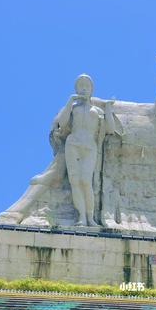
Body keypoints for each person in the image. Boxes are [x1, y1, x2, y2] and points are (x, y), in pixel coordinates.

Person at [53, 74, 115, 226]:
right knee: (75, 181)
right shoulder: (72, 108)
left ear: (91, 89)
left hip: (89, 146)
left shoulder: (97, 110)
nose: (83, 88)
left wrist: (107, 109)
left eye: (87, 86)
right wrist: (70, 101)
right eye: (80, 86)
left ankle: (90, 217)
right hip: (73, 144)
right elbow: (62, 122)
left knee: (86, 182)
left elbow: (111, 129)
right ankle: (81, 216)